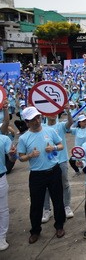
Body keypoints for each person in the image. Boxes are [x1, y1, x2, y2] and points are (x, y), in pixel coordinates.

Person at [17, 106, 66, 244]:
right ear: (27, 122)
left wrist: (54, 148)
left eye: (38, 117)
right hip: (37, 175)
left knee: (58, 200)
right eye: (33, 119)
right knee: (36, 204)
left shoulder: (50, 130)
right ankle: (35, 230)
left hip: (54, 171)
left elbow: (61, 145)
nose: (37, 121)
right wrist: (30, 155)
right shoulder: (24, 138)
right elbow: (20, 157)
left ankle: (59, 225)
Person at [41, 106, 74, 223]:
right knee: (46, 187)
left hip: (62, 160)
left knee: (64, 183)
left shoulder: (60, 125)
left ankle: (67, 206)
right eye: (50, 112)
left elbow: (70, 122)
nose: (53, 114)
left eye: (55, 112)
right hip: (47, 162)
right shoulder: (42, 127)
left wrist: (69, 111)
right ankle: (47, 209)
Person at [0, 104, 15, 251]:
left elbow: (11, 159)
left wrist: (12, 154)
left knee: (3, 209)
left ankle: (1, 237)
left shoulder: (3, 139)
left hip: (0, 178)